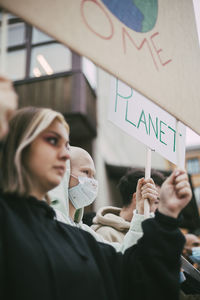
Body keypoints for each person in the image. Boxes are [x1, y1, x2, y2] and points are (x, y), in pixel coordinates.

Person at [0, 106, 192, 300]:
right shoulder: (8, 224)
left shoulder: (80, 238)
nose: (65, 155)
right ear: (19, 145)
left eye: (66, 146)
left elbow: (131, 276)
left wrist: (167, 216)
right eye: (52, 141)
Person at [50, 146, 159, 252]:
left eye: (93, 175)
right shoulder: (48, 221)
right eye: (86, 172)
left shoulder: (85, 233)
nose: (92, 182)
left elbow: (122, 256)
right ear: (65, 173)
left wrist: (140, 211)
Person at [92, 168, 165, 243]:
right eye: (155, 202)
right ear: (137, 198)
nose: (160, 208)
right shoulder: (105, 234)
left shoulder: (155, 233)